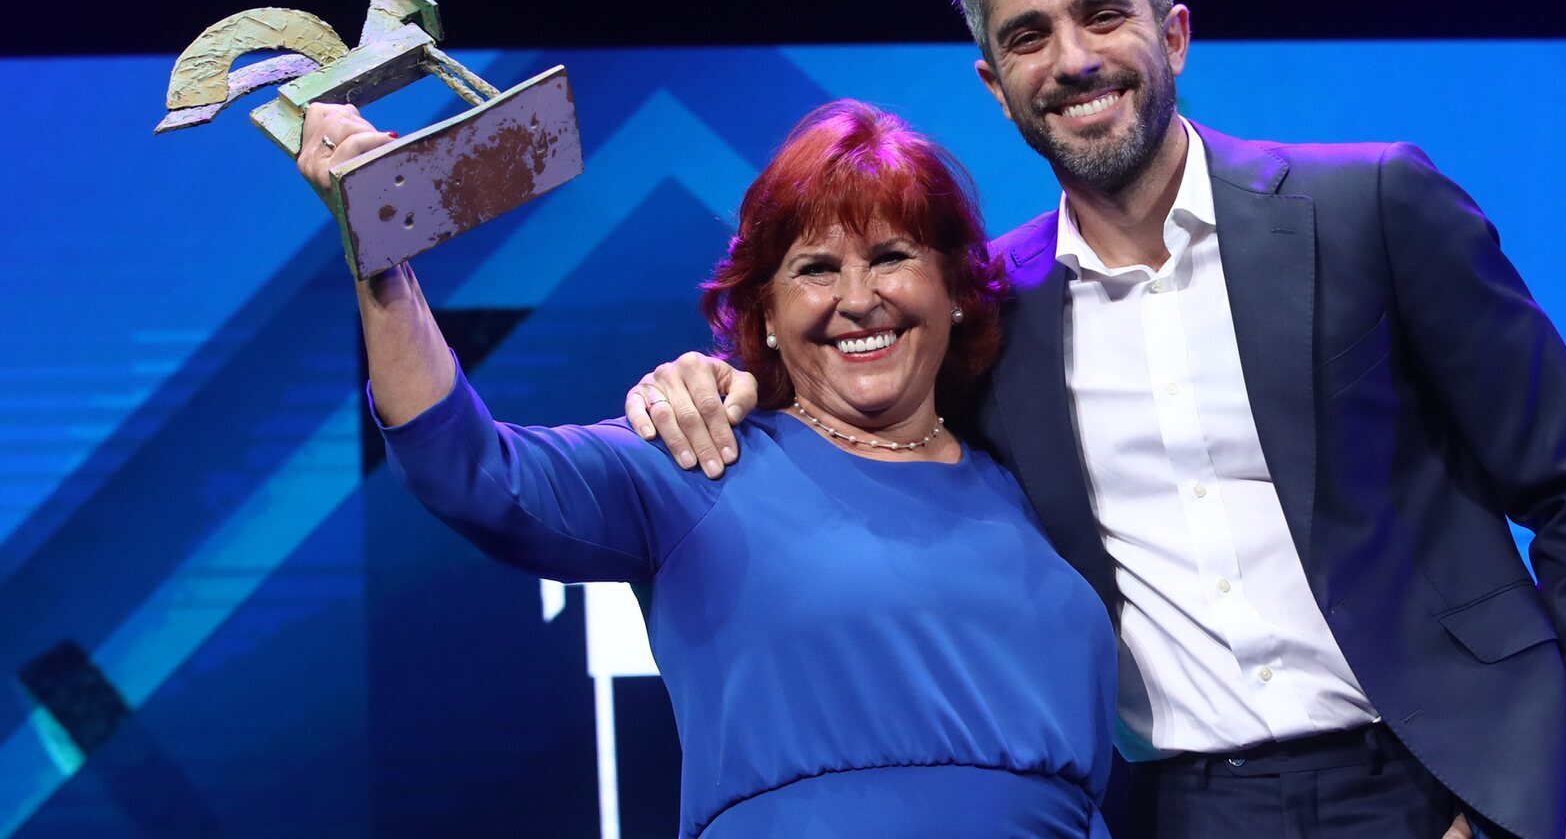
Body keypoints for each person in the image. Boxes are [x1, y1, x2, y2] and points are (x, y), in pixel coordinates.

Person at [628, 0, 1566, 839]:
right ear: (992, 83)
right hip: (1175, 809)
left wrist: (1558, 780)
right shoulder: (991, 305)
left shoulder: (1370, 206)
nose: (1070, 59)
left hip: (1432, 782)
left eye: (1100, 16)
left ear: (1174, 35)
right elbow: (857, 381)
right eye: (1027, 35)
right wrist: (721, 382)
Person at [305, 98, 1115, 838]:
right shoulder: (701, 460)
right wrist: (382, 263)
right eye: (816, 269)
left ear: (957, 290)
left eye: (892, 256)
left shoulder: (1035, 475)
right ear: (762, 311)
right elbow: (467, 468)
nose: (859, 298)